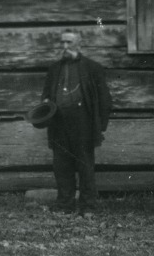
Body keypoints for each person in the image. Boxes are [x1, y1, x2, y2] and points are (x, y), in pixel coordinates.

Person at [39, 30, 113, 215]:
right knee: (61, 166)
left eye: (69, 43)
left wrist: (100, 126)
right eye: (63, 42)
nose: (65, 47)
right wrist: (46, 105)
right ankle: (65, 205)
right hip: (59, 124)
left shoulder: (93, 68)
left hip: (83, 124)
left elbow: (105, 99)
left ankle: (88, 206)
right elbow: (46, 95)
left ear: (79, 44)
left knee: (85, 166)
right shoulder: (54, 69)